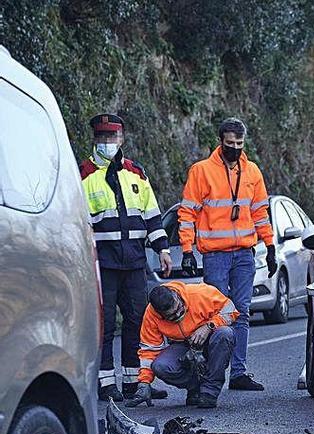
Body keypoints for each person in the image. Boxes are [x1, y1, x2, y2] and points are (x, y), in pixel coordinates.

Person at [178, 117, 276, 391]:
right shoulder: (202, 171)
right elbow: (187, 213)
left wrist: (269, 246)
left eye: (239, 144)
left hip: (245, 253)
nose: (234, 148)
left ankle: (239, 373)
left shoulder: (252, 171)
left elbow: (259, 213)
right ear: (220, 141)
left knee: (242, 312)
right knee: (215, 313)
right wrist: (187, 249)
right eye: (230, 143)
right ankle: (213, 374)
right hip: (216, 256)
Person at [80, 113, 172, 401]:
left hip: (134, 262)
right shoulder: (83, 175)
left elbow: (152, 215)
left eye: (113, 136)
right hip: (102, 264)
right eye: (103, 137)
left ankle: (134, 382)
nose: (108, 142)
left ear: (121, 139)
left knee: (137, 321)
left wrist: (163, 249)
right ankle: (106, 384)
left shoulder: (136, 174)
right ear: (95, 139)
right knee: (105, 325)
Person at [126, 282, 237, 408]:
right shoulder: (151, 315)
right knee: (160, 366)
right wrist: (144, 383)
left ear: (177, 296)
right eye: (171, 316)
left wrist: (209, 326)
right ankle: (196, 387)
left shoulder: (199, 293)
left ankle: (209, 392)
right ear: (160, 314)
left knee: (225, 333)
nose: (178, 316)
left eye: (179, 309)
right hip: (182, 346)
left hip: (210, 338)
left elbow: (231, 310)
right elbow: (149, 351)